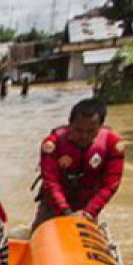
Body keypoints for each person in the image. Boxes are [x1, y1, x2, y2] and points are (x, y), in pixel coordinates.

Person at [31, 97, 125, 231]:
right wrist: (65, 212)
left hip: (88, 206)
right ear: (70, 124)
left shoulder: (113, 145)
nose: (84, 136)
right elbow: (51, 181)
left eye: (90, 131)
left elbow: (111, 184)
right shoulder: (53, 144)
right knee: (39, 234)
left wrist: (88, 212)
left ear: (100, 126)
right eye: (79, 130)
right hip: (53, 204)